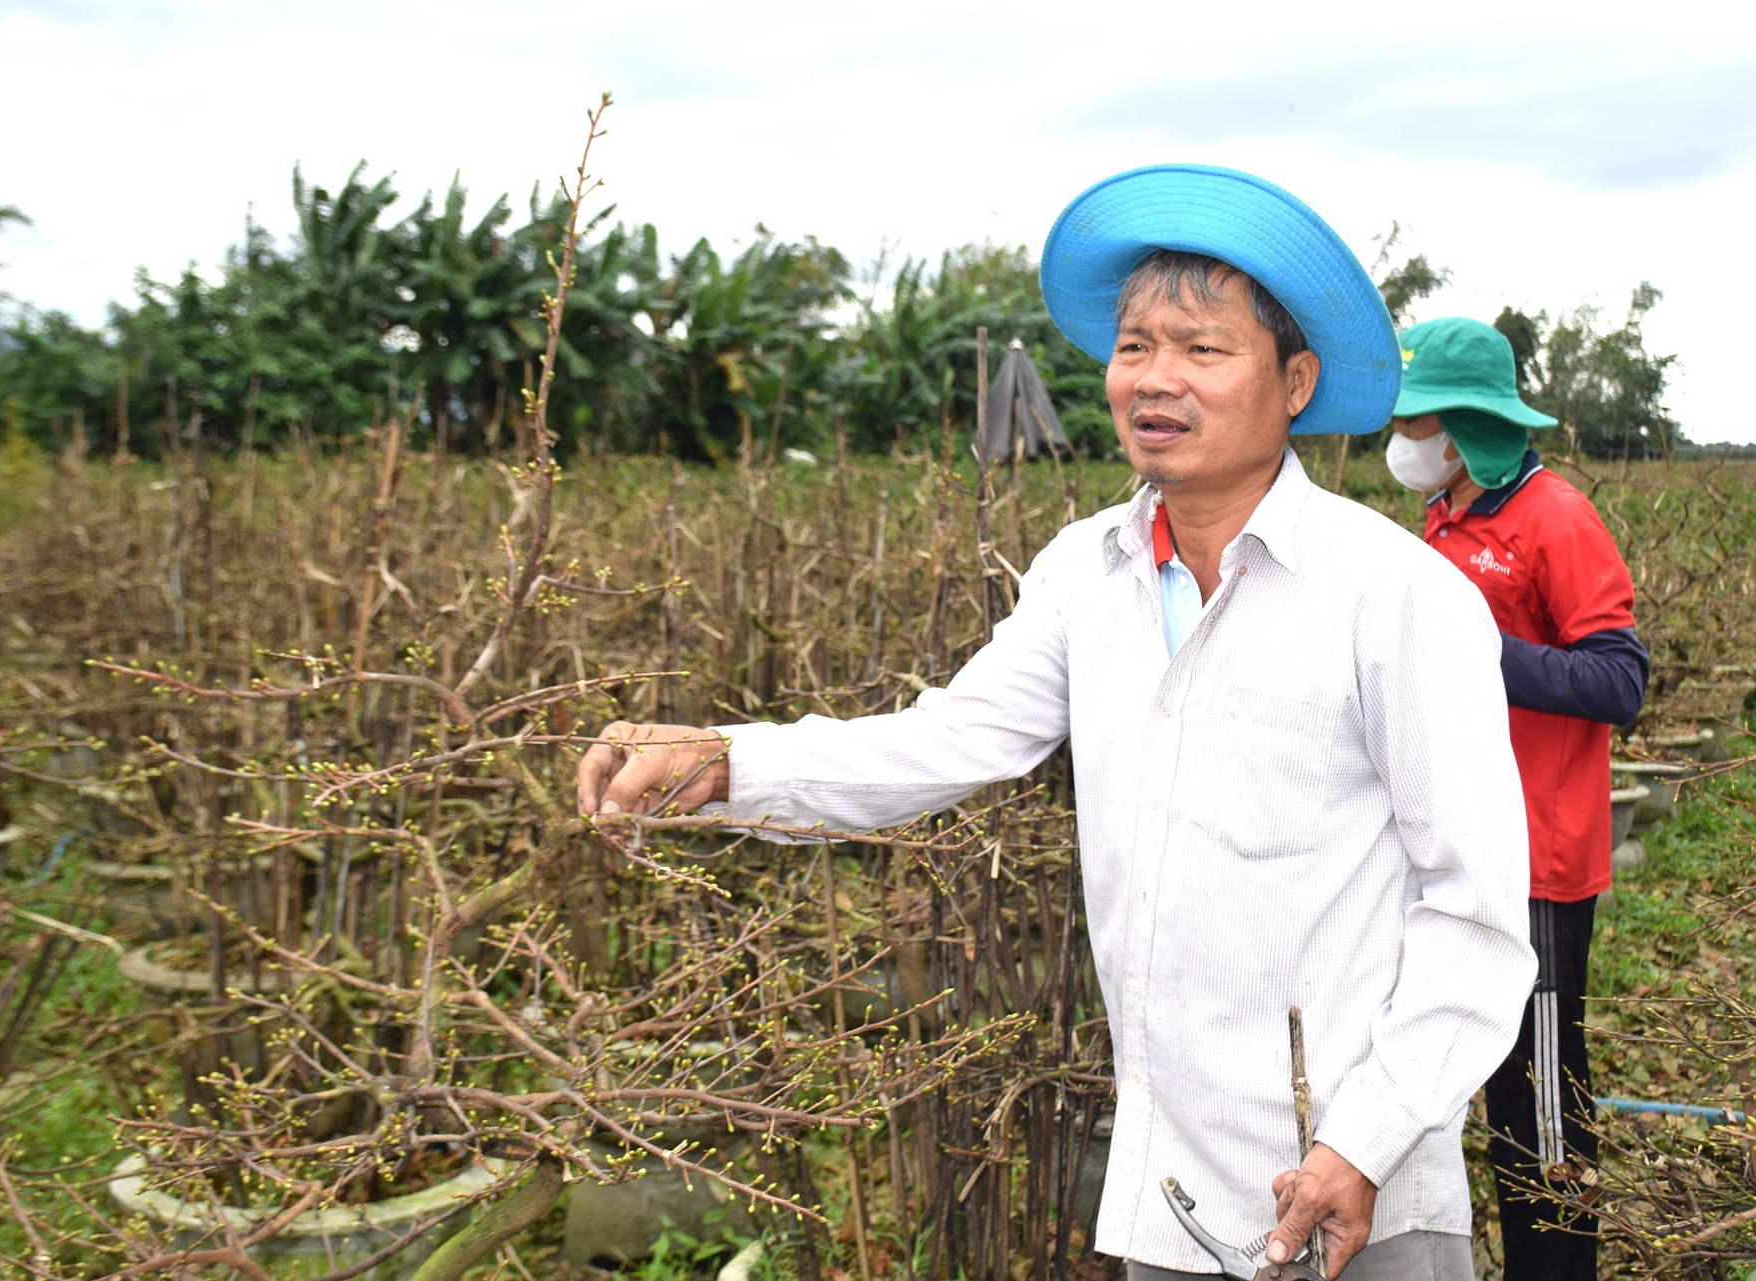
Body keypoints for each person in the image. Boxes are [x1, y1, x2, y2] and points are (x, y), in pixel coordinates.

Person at [579, 165, 1535, 1280]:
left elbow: (1474, 913)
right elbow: (946, 739)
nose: (1154, 380)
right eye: (1135, 347)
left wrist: (1362, 1141)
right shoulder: (1089, 572)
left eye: (1202, 350)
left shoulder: (1397, 596)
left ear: (1297, 382)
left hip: (1355, 1193)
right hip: (1170, 1186)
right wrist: (727, 762)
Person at [1384, 317, 1649, 1281]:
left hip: (1538, 856)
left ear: (1464, 427)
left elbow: (1619, 679)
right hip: (1456, 844)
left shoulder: (1555, 517)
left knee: (1537, 1093)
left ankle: (1557, 1267)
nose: (1403, 439)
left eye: (1418, 421)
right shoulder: (1447, 514)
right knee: (1469, 1066)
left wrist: (1482, 655)